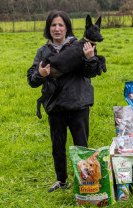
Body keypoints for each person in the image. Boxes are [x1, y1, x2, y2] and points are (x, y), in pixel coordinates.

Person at [27, 10, 100, 192]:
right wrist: (40, 74)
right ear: (48, 28)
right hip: (55, 106)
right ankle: (61, 181)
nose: (57, 29)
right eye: (53, 25)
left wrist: (91, 59)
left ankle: (86, 183)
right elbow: (31, 80)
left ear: (67, 27)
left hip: (78, 104)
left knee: (81, 145)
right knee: (57, 146)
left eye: (61, 25)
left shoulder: (81, 45)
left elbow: (91, 73)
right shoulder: (43, 51)